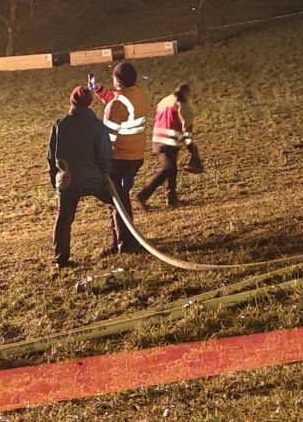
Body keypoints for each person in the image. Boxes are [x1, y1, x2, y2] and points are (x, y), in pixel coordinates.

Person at [47, 85, 114, 268]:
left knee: (64, 218)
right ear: (90, 103)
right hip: (94, 179)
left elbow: (51, 156)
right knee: (116, 204)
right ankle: (120, 241)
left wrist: (55, 179)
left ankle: (60, 258)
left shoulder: (60, 125)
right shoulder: (97, 126)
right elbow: (104, 154)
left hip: (67, 180)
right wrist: (106, 173)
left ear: (72, 102)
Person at [94, 60, 152, 254]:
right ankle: (124, 239)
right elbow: (117, 102)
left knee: (117, 200)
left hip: (119, 157)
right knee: (121, 197)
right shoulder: (137, 95)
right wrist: (99, 90)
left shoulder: (117, 105)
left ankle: (124, 243)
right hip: (135, 154)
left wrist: (99, 160)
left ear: (118, 81)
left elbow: (107, 139)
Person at [136, 81, 193, 210]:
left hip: (158, 139)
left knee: (171, 169)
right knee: (167, 169)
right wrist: (190, 144)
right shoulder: (181, 103)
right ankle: (143, 194)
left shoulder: (165, 101)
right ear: (185, 93)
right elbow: (187, 124)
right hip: (170, 141)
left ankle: (172, 199)